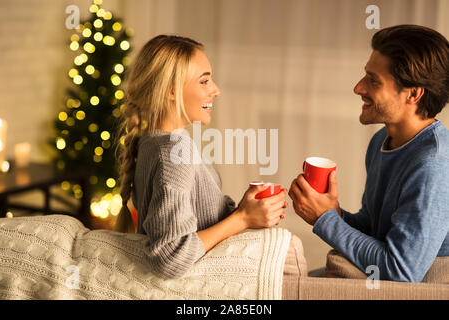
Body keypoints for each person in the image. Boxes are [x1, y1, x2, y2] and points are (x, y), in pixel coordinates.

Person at [114, 35, 287, 279]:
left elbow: (193, 217)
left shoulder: (153, 142)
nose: (215, 90)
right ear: (171, 91)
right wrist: (242, 219)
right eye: (204, 81)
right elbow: (169, 257)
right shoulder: (174, 150)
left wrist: (246, 210)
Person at [288, 25, 449, 282]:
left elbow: (401, 272)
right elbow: (375, 227)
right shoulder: (381, 142)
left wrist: (325, 220)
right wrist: (334, 213)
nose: (358, 88)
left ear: (414, 94)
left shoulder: (433, 165)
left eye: (373, 80)